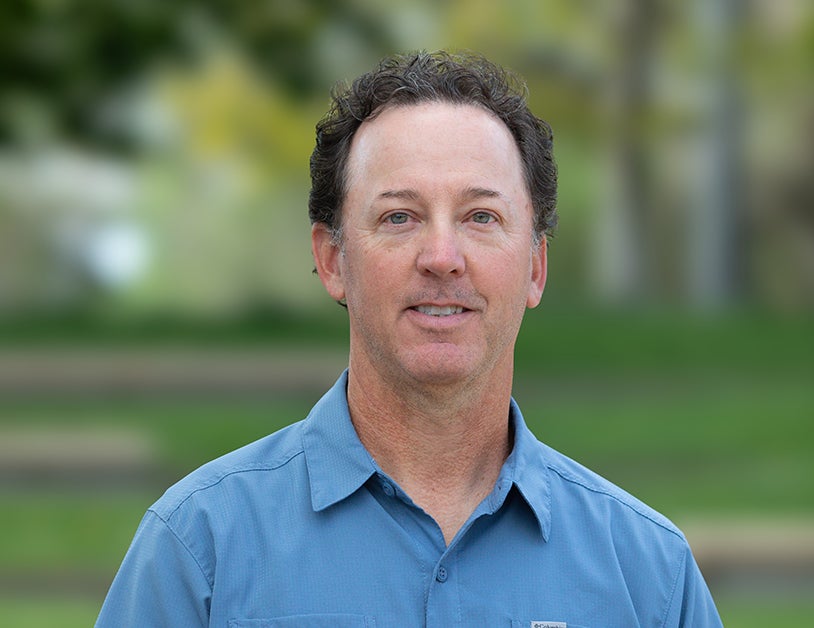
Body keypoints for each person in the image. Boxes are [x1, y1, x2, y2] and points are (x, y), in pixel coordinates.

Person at [96, 50, 722, 627]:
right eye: (400, 216)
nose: (442, 257)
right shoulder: (198, 548)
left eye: (481, 216)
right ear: (333, 260)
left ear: (536, 267)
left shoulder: (650, 577)